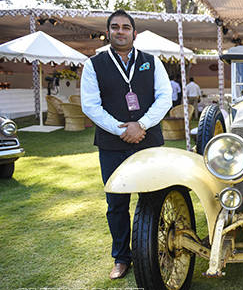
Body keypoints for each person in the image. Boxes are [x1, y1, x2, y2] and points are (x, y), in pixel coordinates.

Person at [80, 9, 172, 280]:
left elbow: (165, 97)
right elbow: (90, 105)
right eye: (115, 27)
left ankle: (155, 251)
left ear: (134, 32)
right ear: (108, 31)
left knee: (154, 198)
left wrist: (141, 125)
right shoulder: (94, 64)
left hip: (148, 139)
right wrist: (122, 129)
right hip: (113, 143)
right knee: (116, 204)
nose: (120, 31)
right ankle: (122, 258)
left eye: (125, 27)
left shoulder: (152, 62)